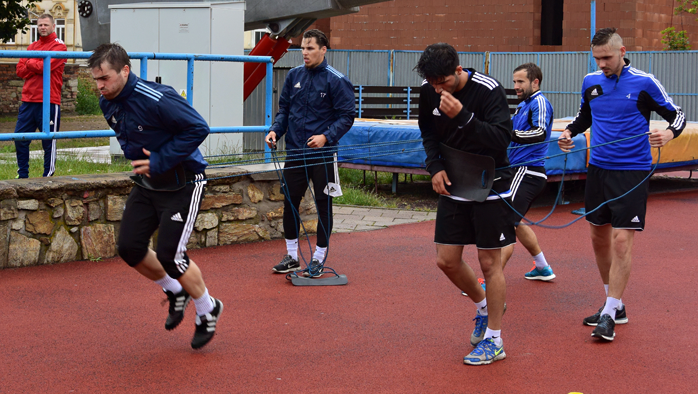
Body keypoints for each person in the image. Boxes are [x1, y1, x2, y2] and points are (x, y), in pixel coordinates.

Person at [88, 43, 223, 349]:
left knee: (170, 255)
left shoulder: (158, 98)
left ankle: (207, 308)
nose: (99, 87)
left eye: (104, 79)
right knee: (129, 247)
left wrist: (161, 159)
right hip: (148, 185)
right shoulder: (107, 102)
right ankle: (175, 290)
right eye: (95, 80)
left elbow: (198, 128)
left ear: (125, 70)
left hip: (184, 182)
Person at [559, 28, 686, 341]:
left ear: (622, 51)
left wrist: (669, 134)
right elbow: (584, 117)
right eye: (597, 58)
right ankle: (614, 305)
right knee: (598, 236)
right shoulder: (591, 82)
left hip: (631, 171)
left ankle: (608, 315)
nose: (602, 63)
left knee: (620, 240)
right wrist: (569, 133)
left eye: (607, 57)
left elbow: (677, 115)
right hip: (598, 169)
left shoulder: (644, 82)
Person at [415, 43, 514, 365]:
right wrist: (435, 166)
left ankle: (495, 341)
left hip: (490, 181)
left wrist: (463, 116)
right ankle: (485, 307)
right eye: (432, 83)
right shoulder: (428, 89)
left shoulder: (489, 90)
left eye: (442, 82)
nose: (437, 89)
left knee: (490, 264)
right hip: (454, 180)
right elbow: (427, 131)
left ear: (458, 71)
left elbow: (501, 139)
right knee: (446, 260)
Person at [265, 29, 355, 277]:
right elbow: (284, 111)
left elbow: (347, 116)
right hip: (295, 152)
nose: (304, 52)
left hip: (324, 155)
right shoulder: (293, 75)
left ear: (323, 50)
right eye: (302, 48)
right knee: (290, 204)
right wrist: (275, 132)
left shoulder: (336, 80)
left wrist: (326, 136)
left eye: (310, 48)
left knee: (323, 205)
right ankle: (292, 256)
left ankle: (318, 258)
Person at [500, 63, 556, 281]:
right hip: (517, 170)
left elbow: (540, 133)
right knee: (515, 221)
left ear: (535, 82)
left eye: (520, 81)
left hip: (527, 172)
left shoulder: (539, 103)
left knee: (504, 221)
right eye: (514, 81)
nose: (516, 86)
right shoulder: (524, 105)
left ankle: (489, 279)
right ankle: (543, 267)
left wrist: (509, 134)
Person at [14, 14, 66, 179]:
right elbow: (19, 71)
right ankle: (22, 175)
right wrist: (35, 64)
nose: (42, 27)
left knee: (49, 141)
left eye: (45, 24)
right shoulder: (32, 47)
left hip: (49, 100)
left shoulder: (59, 47)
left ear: (53, 26)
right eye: (40, 25)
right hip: (28, 100)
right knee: (20, 138)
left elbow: (45, 67)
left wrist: (30, 62)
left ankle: (48, 176)